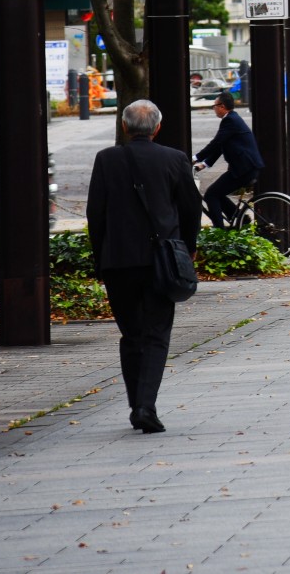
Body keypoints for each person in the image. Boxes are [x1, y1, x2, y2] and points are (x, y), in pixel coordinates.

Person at [86, 99, 201, 434]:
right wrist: (188, 248)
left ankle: (137, 401)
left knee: (131, 333)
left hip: (118, 261)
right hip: (161, 259)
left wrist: (100, 256)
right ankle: (144, 406)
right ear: (157, 127)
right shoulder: (174, 159)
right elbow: (191, 208)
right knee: (156, 333)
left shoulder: (106, 160)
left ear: (124, 126)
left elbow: (96, 213)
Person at [193, 93, 263, 228]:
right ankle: (240, 219)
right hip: (246, 168)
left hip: (244, 169)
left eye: (214, 106)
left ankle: (219, 231)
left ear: (222, 106)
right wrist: (204, 164)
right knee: (217, 193)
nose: (214, 109)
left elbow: (216, 142)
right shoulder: (232, 119)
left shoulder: (229, 120)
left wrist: (196, 158)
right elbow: (221, 145)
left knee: (211, 195)